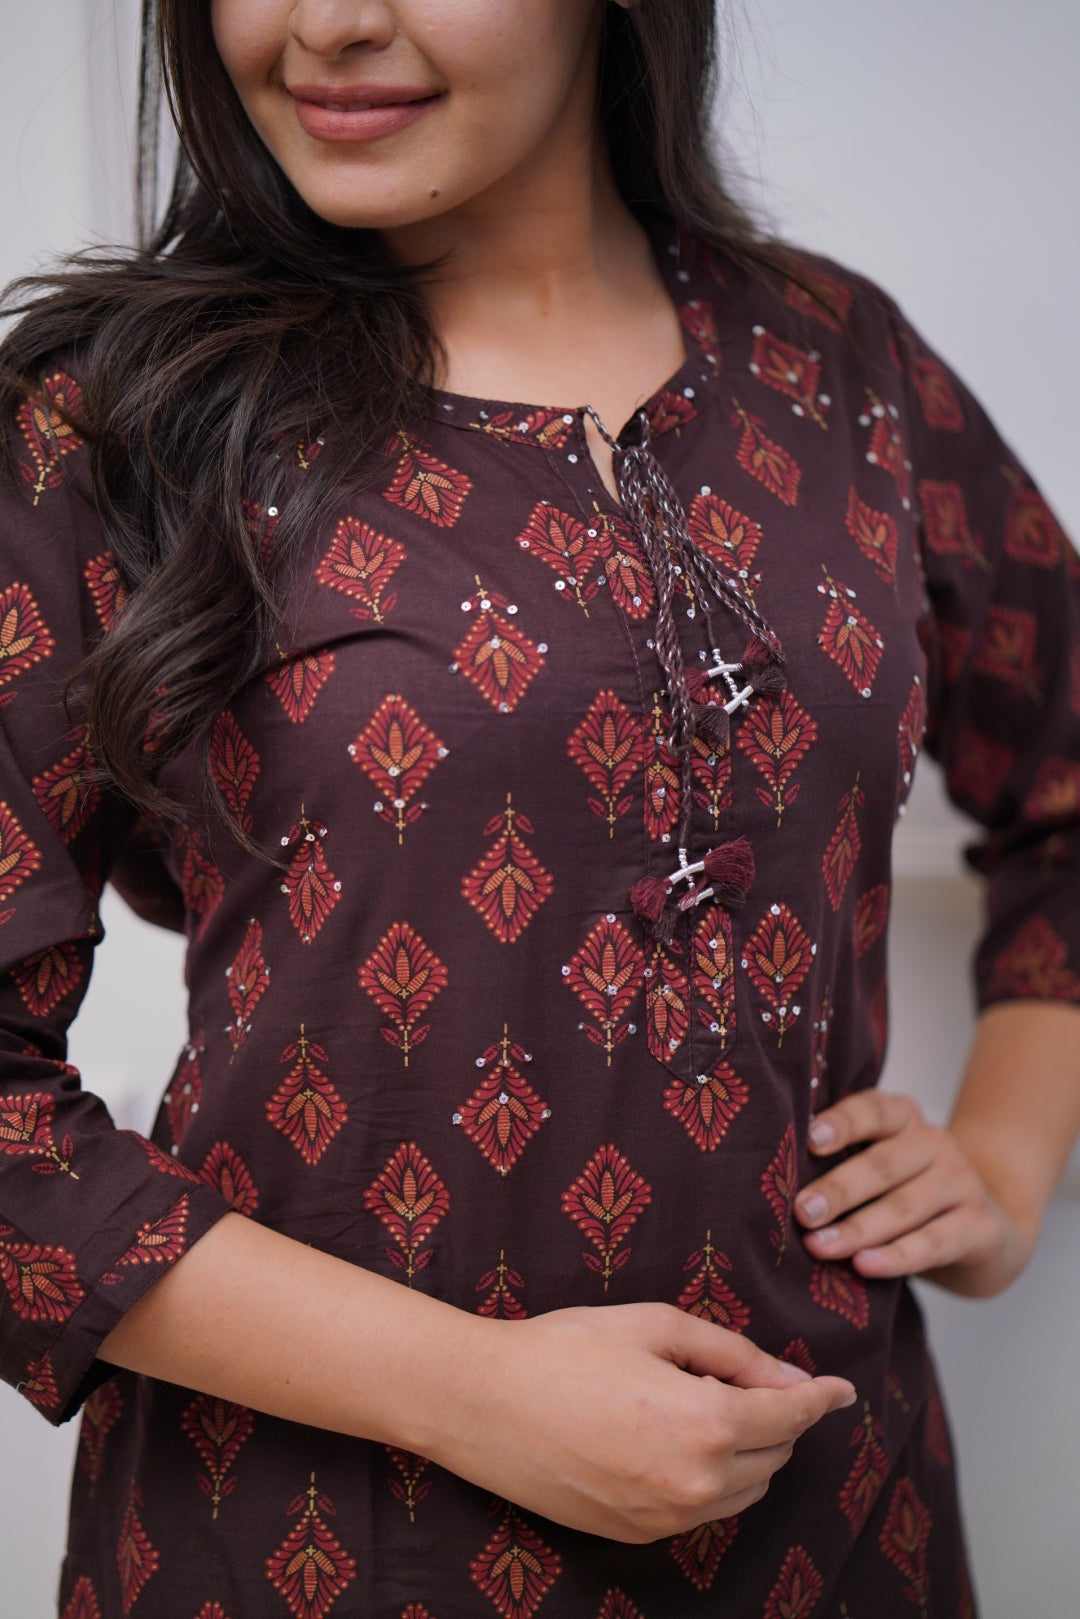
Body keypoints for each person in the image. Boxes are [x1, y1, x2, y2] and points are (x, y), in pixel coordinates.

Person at [0, 1, 1077, 1613]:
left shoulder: (835, 365)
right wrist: (472, 1395)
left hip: (839, 1522)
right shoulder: (111, 421)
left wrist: (1003, 1164)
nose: (329, 23)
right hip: (308, 1547)